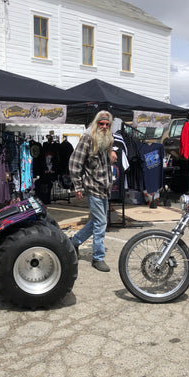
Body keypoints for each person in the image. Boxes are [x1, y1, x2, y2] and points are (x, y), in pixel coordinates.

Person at [69, 110, 117, 272]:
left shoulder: (108, 139)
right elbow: (75, 163)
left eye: (107, 124)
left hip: (104, 188)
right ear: (96, 124)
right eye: (101, 124)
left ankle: (74, 242)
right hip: (93, 187)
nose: (104, 127)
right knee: (101, 222)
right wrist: (78, 186)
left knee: (97, 221)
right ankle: (98, 257)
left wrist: (111, 153)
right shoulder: (88, 138)